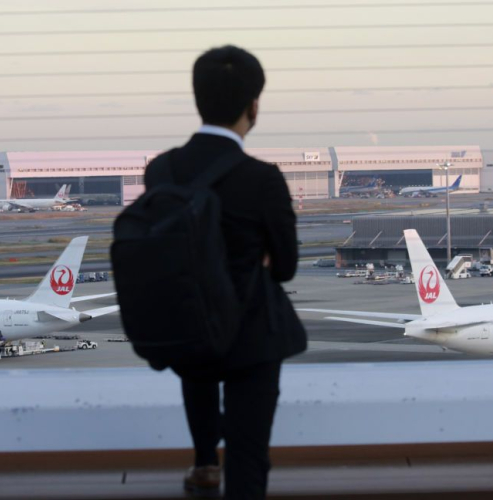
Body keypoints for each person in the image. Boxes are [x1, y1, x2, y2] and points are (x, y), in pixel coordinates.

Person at [143, 45, 307, 499]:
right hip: (251, 335)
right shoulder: (264, 179)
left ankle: (202, 463)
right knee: (249, 460)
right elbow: (288, 267)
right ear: (253, 106)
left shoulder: (161, 170)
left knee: (198, 368)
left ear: (198, 100)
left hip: (187, 329)